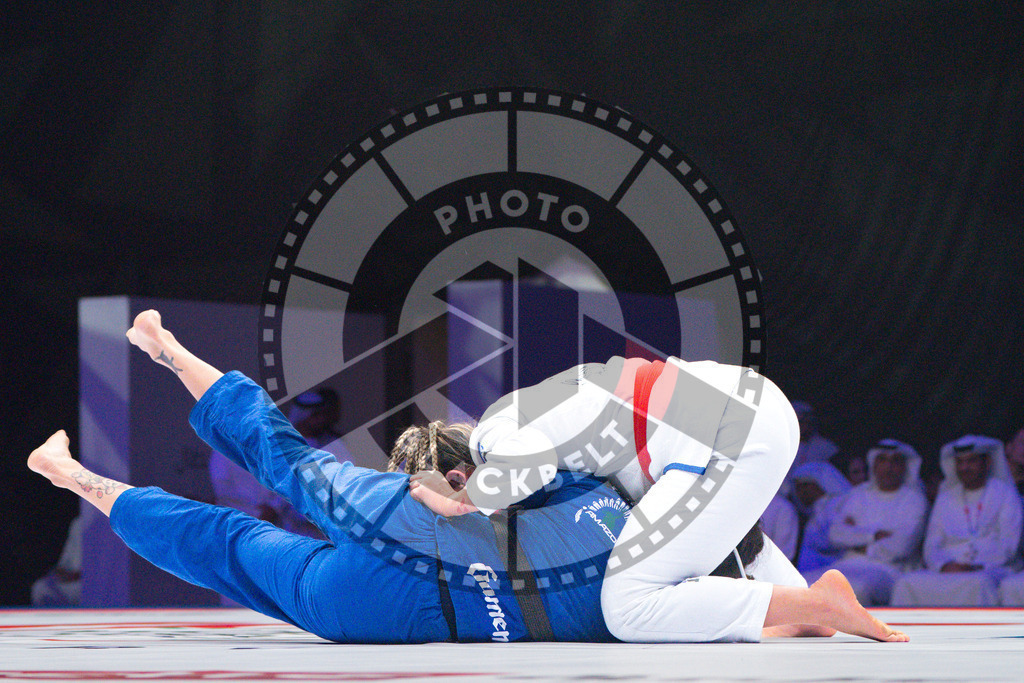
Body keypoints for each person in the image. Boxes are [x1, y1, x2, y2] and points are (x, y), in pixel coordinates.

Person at [28, 311, 633, 643]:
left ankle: (163, 357)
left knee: (270, 472)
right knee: (225, 543)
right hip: (379, 609)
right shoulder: (622, 546)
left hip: (397, 522)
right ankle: (72, 471)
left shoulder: (594, 507)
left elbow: (276, 448)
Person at [407, 354, 908, 642]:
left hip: (723, 431)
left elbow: (528, 465)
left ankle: (817, 604)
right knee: (667, 549)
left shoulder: (492, 434)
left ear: (456, 472)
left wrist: (452, 502)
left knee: (626, 606)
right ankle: (807, 612)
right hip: (742, 410)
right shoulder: (532, 409)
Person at [893, 435, 1022, 606]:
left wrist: (975, 565)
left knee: (978, 584)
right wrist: (944, 565)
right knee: (906, 583)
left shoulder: (1005, 493)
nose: (964, 467)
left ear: (988, 462)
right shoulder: (946, 497)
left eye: (971, 461)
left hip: (991, 567)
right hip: (947, 568)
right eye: (960, 462)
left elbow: (1008, 545)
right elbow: (932, 544)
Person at [817, 440, 928, 605]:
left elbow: (900, 548)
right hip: (846, 563)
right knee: (806, 583)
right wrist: (874, 535)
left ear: (905, 467)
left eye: (895, 462)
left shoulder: (915, 500)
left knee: (855, 589)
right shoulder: (858, 495)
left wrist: (857, 541)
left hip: (889, 569)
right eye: (882, 460)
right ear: (874, 464)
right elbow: (835, 534)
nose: (888, 468)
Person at [790, 462, 852, 575]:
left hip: (836, 565)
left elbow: (833, 540)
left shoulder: (836, 504)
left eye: (805, 485)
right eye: (798, 487)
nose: (801, 492)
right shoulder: (816, 508)